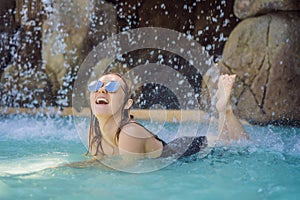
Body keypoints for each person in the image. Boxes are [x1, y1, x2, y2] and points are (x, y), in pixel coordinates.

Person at [86, 72, 249, 162]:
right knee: (232, 142)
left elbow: (126, 176)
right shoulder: (94, 134)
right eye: (97, 86)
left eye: (112, 87)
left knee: (241, 147)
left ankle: (226, 110)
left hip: (191, 150)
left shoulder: (130, 134)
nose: (102, 90)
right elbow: (96, 164)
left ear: (127, 104)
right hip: (174, 148)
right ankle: (223, 110)